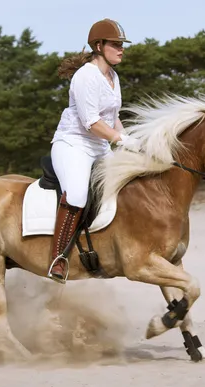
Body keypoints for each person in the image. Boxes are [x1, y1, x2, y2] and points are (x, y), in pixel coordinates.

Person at [46, 18, 135, 283]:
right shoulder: (86, 76)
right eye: (116, 45)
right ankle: (58, 258)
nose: (121, 49)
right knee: (76, 194)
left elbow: (111, 118)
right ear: (99, 45)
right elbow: (92, 122)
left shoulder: (113, 77)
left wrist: (129, 138)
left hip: (99, 146)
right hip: (73, 144)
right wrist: (120, 139)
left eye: (122, 45)